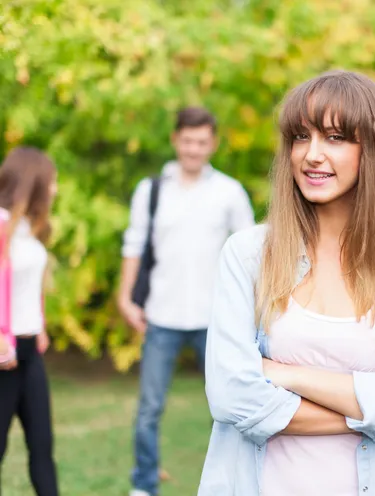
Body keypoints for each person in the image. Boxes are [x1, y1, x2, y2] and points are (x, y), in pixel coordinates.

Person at [198, 70, 375, 496]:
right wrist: (374, 398)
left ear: (371, 150)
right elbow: (229, 396)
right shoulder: (248, 255)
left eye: (334, 137)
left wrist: (278, 373)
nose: (311, 154)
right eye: (300, 137)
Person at [118, 106, 255, 496]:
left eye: (201, 142)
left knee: (229, 408)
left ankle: (232, 482)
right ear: (176, 139)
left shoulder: (229, 192)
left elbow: (249, 253)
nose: (194, 149)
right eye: (187, 141)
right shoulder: (152, 189)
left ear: (212, 144)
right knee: (148, 410)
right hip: (161, 314)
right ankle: (144, 484)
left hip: (217, 318)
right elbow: (133, 244)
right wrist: (126, 297)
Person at [0, 146, 59, 496]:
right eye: (50, 183)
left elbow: (25, 283)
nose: (53, 190)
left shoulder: (29, 228)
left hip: (28, 348)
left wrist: (41, 325)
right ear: (33, 182)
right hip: (3, 354)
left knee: (42, 445)